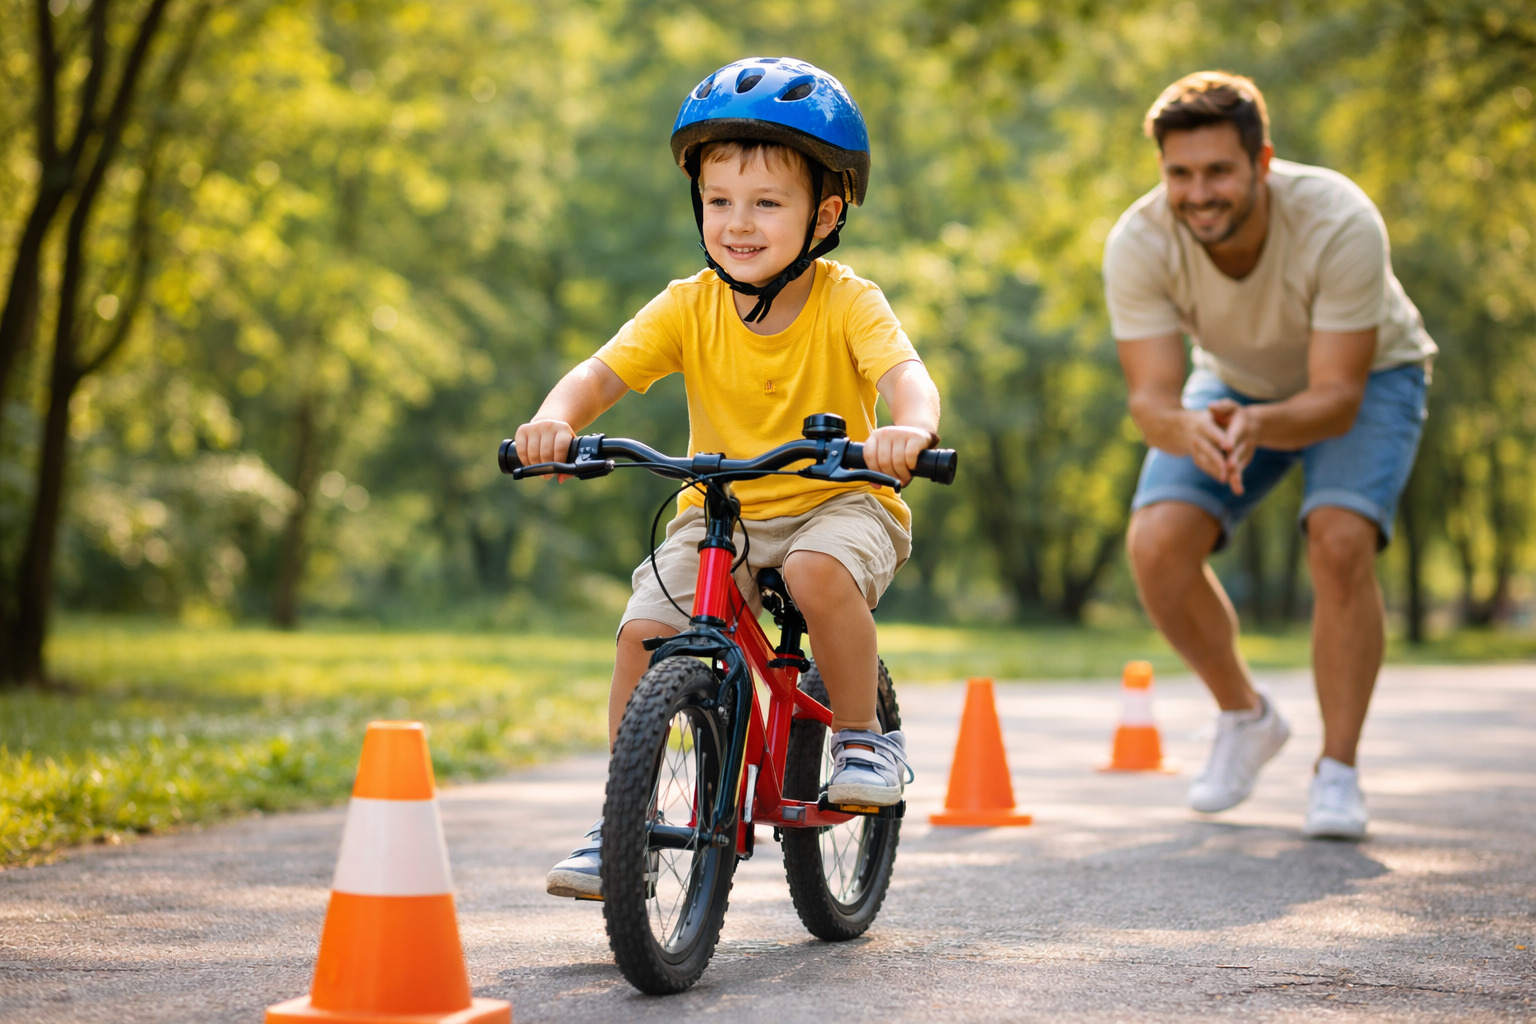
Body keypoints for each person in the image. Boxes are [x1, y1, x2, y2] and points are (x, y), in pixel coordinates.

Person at [515, 57, 942, 898]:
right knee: (643, 632)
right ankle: (625, 822)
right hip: (724, 511)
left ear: (825, 216)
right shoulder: (688, 304)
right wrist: (554, 421)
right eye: (719, 202)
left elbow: (907, 377)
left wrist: (909, 431)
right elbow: (599, 374)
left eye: (767, 204)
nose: (738, 224)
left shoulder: (849, 301)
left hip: (840, 498)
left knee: (816, 572)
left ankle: (864, 737)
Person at [1103, 72, 1436, 839]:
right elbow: (1151, 401)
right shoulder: (1139, 241)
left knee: (1340, 540)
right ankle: (1246, 716)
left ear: (1262, 162)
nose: (1198, 194)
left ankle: (1338, 771)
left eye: (1219, 171)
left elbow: (1337, 399)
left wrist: (1258, 425)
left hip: (1372, 378)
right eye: (1180, 174)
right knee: (1156, 544)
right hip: (1231, 382)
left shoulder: (1339, 219)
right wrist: (1189, 430)